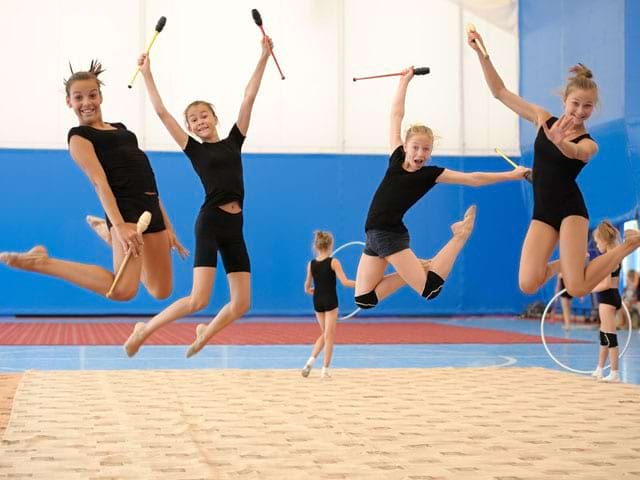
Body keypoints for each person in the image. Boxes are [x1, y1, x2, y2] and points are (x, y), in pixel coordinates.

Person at [124, 36, 273, 357]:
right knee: (198, 299)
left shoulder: (234, 141)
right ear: (190, 128)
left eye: (204, 115)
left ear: (215, 118)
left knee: (242, 303)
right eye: (193, 119)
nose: (200, 121)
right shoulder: (194, 150)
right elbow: (163, 113)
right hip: (211, 221)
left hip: (235, 226)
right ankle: (144, 330)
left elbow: (248, 98)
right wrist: (148, 74)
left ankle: (206, 331)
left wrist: (263, 55)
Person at [467, 29, 640, 299]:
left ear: (594, 107)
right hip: (544, 212)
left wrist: (559, 142)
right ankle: (573, 261)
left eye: (588, 106)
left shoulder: (589, 143)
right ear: (564, 100)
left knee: (577, 287)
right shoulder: (542, 119)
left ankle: (626, 247)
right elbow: (499, 92)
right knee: (527, 282)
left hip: (570, 210)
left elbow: (575, 153)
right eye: (575, 103)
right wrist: (481, 53)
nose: (580, 111)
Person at [0, 60, 186, 300]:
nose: (86, 103)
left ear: (100, 96)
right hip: (126, 213)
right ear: (69, 102)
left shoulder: (123, 130)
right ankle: (42, 262)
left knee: (161, 291)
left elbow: (148, 181)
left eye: (92, 95)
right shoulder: (79, 137)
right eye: (78, 98)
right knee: (122, 291)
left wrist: (169, 228)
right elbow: (100, 182)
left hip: (152, 210)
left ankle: (108, 237)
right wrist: (119, 226)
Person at [353, 67, 529, 312]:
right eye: (415, 147)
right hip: (373, 234)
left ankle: (460, 236)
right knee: (364, 299)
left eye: (426, 150)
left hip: (389, 235)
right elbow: (396, 115)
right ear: (405, 146)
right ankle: (420, 267)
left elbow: (474, 179)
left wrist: (513, 174)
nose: (420, 154)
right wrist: (405, 81)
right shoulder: (395, 157)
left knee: (430, 290)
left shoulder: (431, 174)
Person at [302, 231, 355, 379]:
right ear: (330, 245)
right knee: (329, 336)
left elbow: (306, 288)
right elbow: (345, 282)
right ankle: (324, 371)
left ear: (316, 246)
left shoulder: (311, 264)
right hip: (330, 300)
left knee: (325, 333)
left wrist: (314, 290)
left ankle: (309, 363)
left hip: (317, 300)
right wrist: (361, 285)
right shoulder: (334, 262)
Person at [591, 221, 623, 382]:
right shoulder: (615, 255)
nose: (596, 246)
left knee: (610, 336)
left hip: (608, 299)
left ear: (604, 240)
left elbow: (606, 284)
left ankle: (615, 373)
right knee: (604, 336)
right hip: (610, 298)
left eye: (597, 242)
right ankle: (599, 368)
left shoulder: (608, 258)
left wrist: (588, 288)